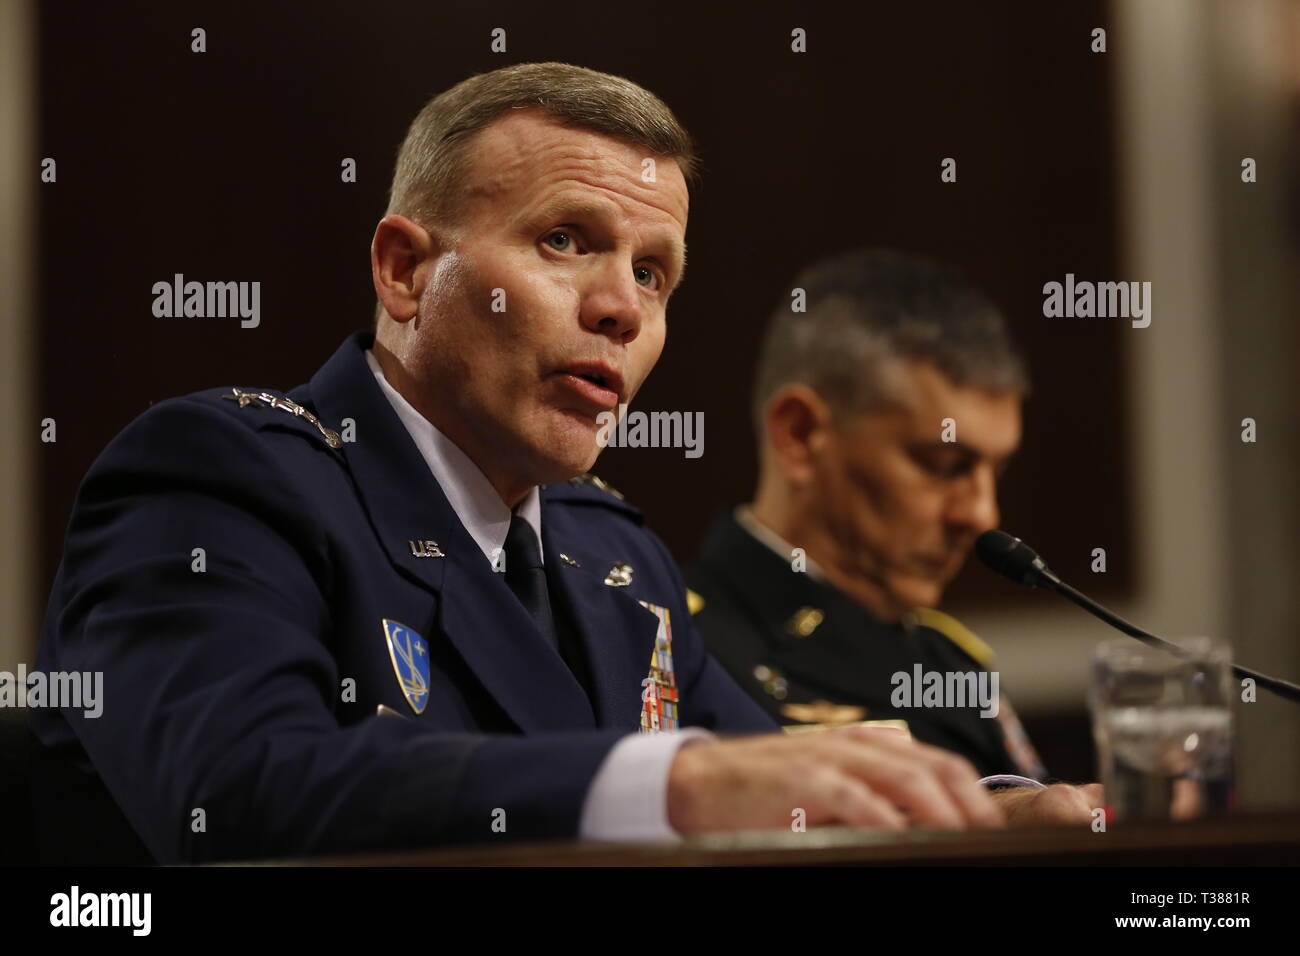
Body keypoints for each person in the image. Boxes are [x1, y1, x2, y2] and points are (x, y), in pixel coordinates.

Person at [29, 65, 1009, 865]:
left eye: (651, 271)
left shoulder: (609, 549)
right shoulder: (221, 475)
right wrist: (672, 780)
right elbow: (236, 791)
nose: (621, 307)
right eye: (563, 240)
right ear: (405, 270)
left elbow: (781, 777)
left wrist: (1002, 808)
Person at [686, 249, 1101, 822]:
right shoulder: (677, 643)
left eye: (995, 472)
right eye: (943, 463)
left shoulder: (950, 658)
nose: (982, 514)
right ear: (801, 436)